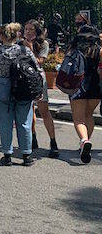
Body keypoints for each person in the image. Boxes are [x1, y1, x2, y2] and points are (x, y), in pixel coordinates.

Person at [0, 24, 38, 166]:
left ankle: (7, 154)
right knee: (24, 122)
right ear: (17, 35)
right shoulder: (25, 50)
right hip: (23, 87)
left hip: (2, 85)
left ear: (2, 36)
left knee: (5, 123)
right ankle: (26, 155)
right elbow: (35, 68)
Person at [24, 20, 59, 157]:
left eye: (31, 29)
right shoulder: (20, 43)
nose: (28, 31)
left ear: (37, 31)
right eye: (26, 29)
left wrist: (31, 48)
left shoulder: (43, 44)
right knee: (28, 110)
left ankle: (53, 141)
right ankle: (32, 138)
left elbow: (40, 62)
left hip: (38, 80)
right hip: (25, 79)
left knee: (44, 111)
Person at [67, 25, 101, 164]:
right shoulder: (99, 51)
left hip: (77, 86)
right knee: (89, 115)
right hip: (95, 86)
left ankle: (84, 141)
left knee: (79, 119)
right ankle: (86, 141)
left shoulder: (73, 49)